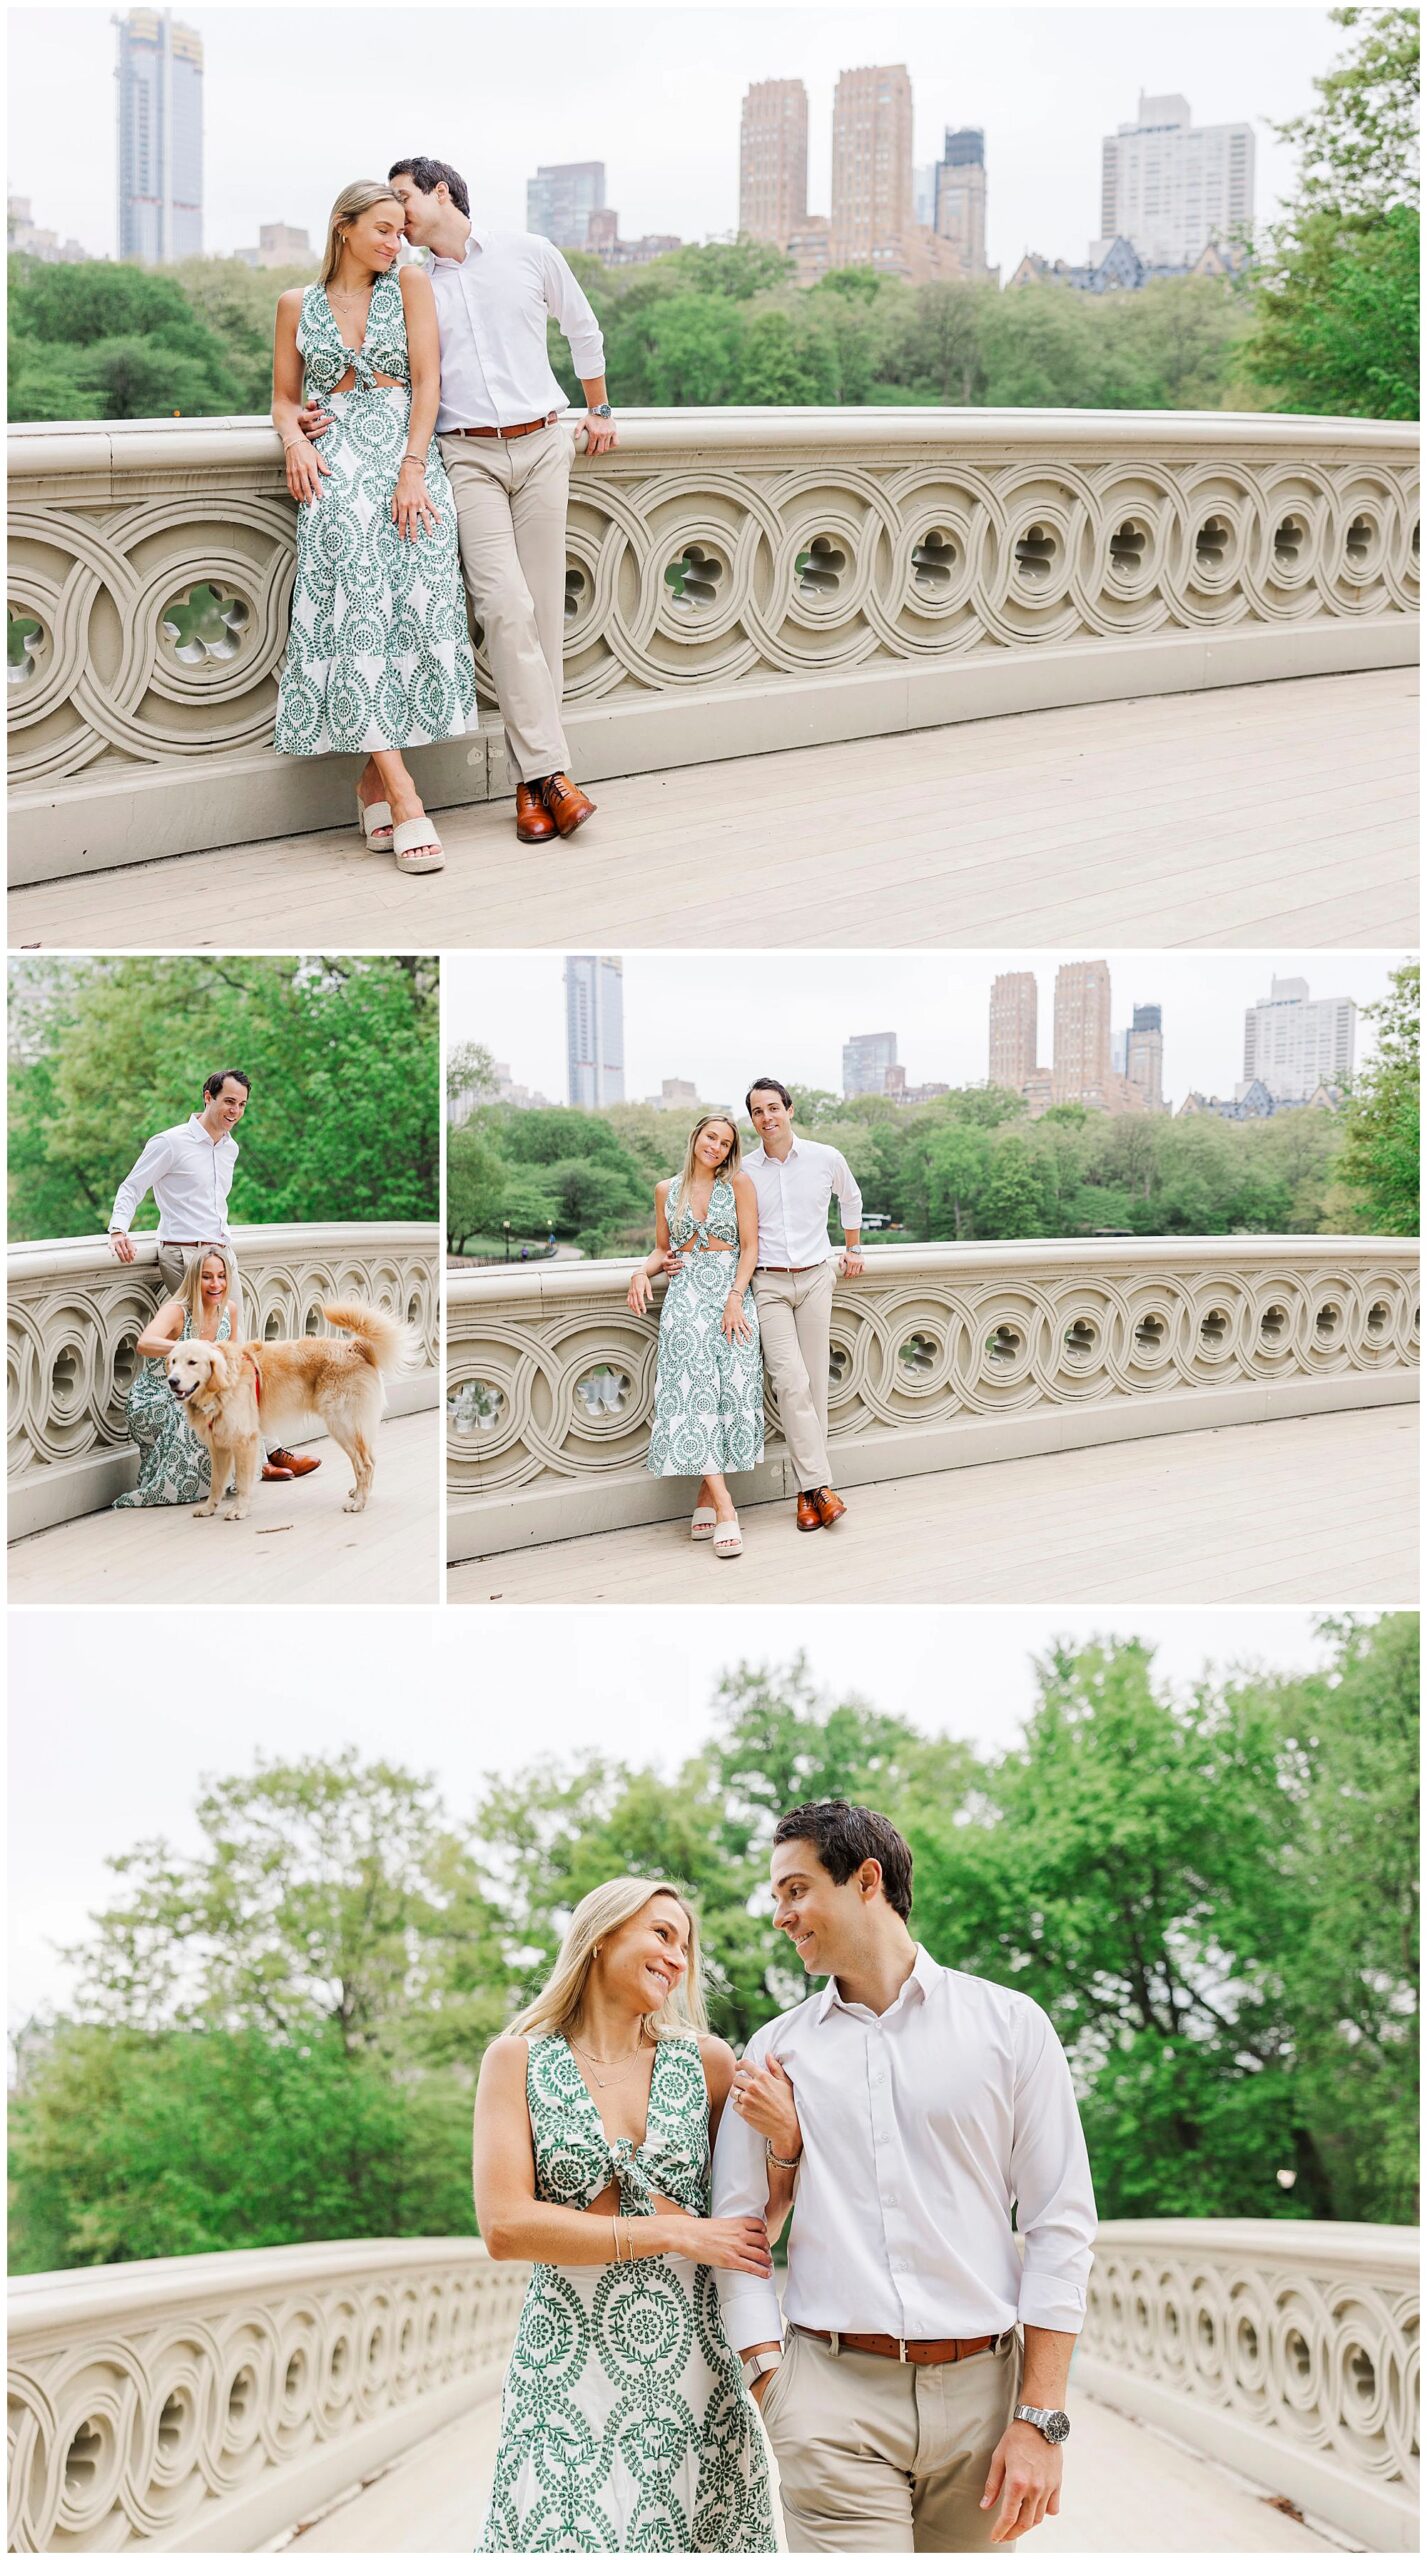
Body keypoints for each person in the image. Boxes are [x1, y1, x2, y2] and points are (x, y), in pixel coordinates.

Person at [713, 1800, 1097, 2554]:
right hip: (830, 2398)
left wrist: (1039, 2418)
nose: (780, 1917)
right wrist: (770, 2380)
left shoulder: (1010, 2026)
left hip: (987, 2401)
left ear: (865, 1880)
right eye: (776, 1898)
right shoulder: (775, 2052)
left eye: (795, 1890)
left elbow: (1059, 2225)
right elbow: (738, 2231)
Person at [472, 1877, 780, 2552]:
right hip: (562, 2364)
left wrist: (785, 2147)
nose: (678, 1957)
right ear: (602, 1935)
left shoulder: (707, 2063)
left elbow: (749, 2227)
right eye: (661, 1934)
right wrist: (673, 2230)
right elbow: (504, 2227)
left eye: (686, 1946)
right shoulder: (515, 2061)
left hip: (693, 2365)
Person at [384, 154, 615, 848]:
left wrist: (598, 409)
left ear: (442, 192)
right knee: (502, 608)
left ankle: (529, 787)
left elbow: (582, 325)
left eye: (403, 198)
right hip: (468, 455)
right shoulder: (409, 282)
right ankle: (555, 775)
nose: (396, 215)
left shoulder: (527, 252)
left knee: (541, 619)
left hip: (544, 445)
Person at [271, 180, 477, 875]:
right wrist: (294, 442)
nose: (396, 242)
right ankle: (404, 793)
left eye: (400, 230)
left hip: (403, 455)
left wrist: (413, 468)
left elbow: (428, 382)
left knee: (408, 613)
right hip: (331, 468)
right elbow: (282, 397)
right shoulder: (295, 304)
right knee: (353, 613)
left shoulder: (410, 285)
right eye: (383, 229)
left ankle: (369, 781)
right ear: (344, 228)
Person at [107, 1070, 317, 1485]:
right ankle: (260, 1456)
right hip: (184, 1255)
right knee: (212, 1355)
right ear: (208, 1097)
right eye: (228, 1102)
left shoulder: (231, 1148)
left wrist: (225, 1254)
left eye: (241, 1105)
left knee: (238, 1355)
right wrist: (118, 1229)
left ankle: (261, 1450)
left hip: (222, 1254)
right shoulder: (170, 1142)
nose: (235, 1111)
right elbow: (133, 1186)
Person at [628, 1113, 763, 1558]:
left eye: (725, 1143)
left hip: (730, 1295)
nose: (717, 1148)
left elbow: (750, 1247)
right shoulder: (666, 1190)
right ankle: (725, 1507)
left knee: (730, 1393)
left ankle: (705, 1496)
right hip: (685, 1297)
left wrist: (735, 1297)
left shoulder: (739, 1184)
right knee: (693, 1396)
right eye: (711, 1138)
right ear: (696, 1138)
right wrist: (640, 1271)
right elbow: (662, 1248)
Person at [743, 1078, 864, 1534]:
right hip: (768, 1285)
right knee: (789, 1383)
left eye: (773, 1107)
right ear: (752, 1119)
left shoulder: (825, 1157)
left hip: (816, 1279)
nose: (767, 1117)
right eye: (757, 1111)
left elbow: (850, 1198)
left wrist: (853, 1248)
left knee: (815, 1387)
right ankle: (823, 1486)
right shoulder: (745, 1171)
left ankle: (806, 1493)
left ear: (789, 1110)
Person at [112, 1246, 240, 1510]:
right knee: (193, 1410)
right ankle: (176, 1487)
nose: (216, 1283)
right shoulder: (177, 1311)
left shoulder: (230, 1310)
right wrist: (190, 1349)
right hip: (156, 1395)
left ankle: (229, 1477)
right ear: (194, 1278)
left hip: (199, 1390)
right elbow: (144, 1342)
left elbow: (232, 1357)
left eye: (221, 1276)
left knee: (236, 1404)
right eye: (207, 1277)